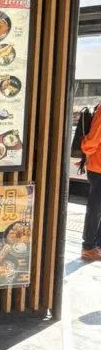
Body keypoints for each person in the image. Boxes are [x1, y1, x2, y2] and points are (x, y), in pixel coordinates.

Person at [80, 102, 101, 261]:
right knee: (95, 208)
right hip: (98, 167)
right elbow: (91, 142)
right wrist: (88, 155)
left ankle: (97, 245)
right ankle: (88, 247)